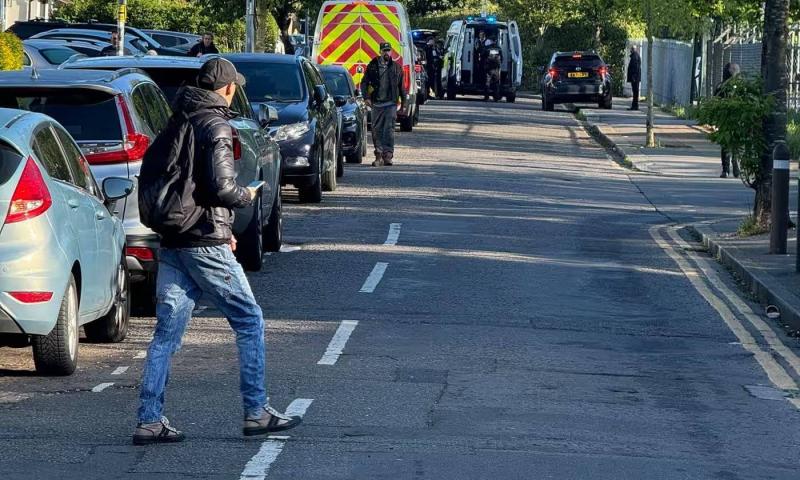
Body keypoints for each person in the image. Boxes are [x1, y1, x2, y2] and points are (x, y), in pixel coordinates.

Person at [132, 58, 302, 445]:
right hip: (203, 240)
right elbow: (221, 188)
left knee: (166, 335)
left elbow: (188, 185)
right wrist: (248, 195)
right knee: (249, 319)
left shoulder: (178, 120)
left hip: (173, 237)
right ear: (227, 89)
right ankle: (256, 411)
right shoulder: (217, 126)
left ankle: (149, 418)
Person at [363, 42, 407, 167]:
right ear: (380, 52)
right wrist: (366, 97)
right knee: (376, 130)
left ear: (391, 52)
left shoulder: (396, 68)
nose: (386, 53)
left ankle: (388, 155)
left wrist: (404, 104)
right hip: (377, 104)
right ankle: (378, 155)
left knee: (389, 130)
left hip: (391, 104)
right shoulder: (372, 66)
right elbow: (364, 82)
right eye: (384, 51)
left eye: (388, 51)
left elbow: (402, 87)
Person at [717, 62, 741, 178]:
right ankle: (732, 168)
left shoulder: (721, 86)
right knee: (732, 144)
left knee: (729, 144)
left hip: (728, 118)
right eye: (734, 70)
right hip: (731, 118)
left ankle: (729, 169)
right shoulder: (727, 86)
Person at [627, 45, 642, 110]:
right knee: (635, 92)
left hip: (635, 78)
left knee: (635, 92)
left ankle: (635, 106)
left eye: (631, 49)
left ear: (633, 49)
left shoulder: (635, 57)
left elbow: (635, 68)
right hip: (636, 77)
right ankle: (635, 105)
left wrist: (633, 76)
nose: (630, 50)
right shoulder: (635, 56)